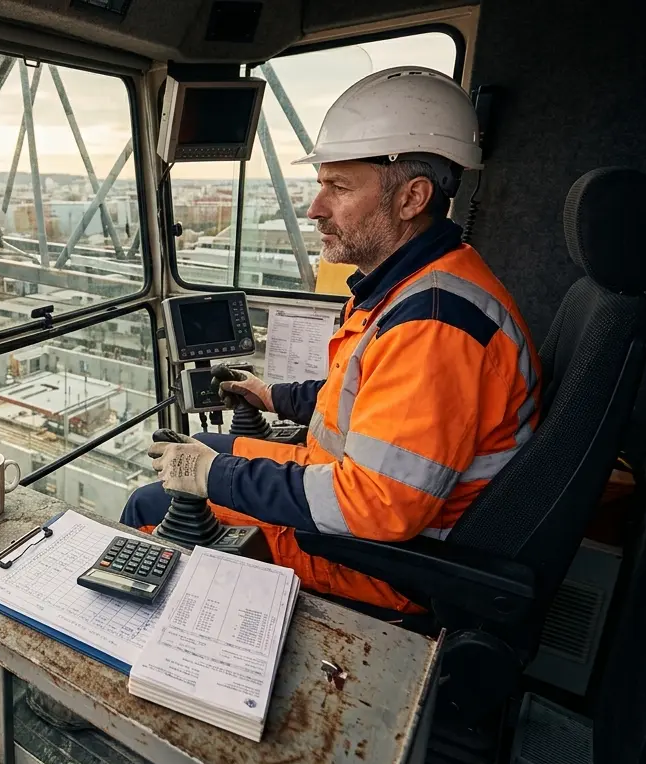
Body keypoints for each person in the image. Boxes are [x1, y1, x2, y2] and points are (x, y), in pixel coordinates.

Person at [124, 66, 541, 613]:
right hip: (355, 494)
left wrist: (212, 476)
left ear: (412, 197)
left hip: (381, 560)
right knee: (206, 452)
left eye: (338, 187)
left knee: (152, 502)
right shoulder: (419, 286)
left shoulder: (434, 326)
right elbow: (368, 400)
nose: (315, 208)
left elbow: (377, 505)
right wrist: (272, 396)